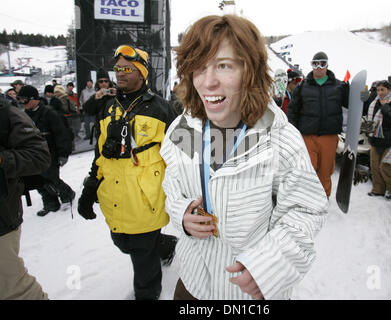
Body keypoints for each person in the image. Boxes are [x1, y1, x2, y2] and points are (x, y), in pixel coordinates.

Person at [161, 14, 328, 300]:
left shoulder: (280, 140)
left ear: (250, 71)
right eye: (199, 68)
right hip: (193, 282)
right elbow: (172, 185)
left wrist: (270, 266)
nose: (208, 82)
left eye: (224, 66)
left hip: (246, 290)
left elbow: (305, 211)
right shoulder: (184, 129)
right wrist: (182, 214)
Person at [77, 45, 178, 300]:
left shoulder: (163, 109)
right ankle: (165, 246)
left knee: (142, 260)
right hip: (115, 197)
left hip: (146, 200)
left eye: (127, 69)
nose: (119, 74)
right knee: (122, 242)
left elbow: (185, 155)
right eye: (117, 69)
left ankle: (148, 294)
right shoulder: (107, 108)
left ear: (142, 73)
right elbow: (99, 154)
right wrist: (90, 188)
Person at [0, 96, 51, 299]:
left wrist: (3, 159)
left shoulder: (5, 112)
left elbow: (39, 156)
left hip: (2, 221)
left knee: (14, 290)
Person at [287, 51, 349, 197]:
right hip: (308, 135)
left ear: (327, 65)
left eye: (323, 63)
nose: (319, 67)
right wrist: (293, 132)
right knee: (308, 169)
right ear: (312, 66)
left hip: (329, 136)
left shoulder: (339, 86)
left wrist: (361, 98)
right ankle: (308, 198)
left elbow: (352, 105)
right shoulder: (302, 87)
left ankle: (324, 197)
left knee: (326, 170)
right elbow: (293, 110)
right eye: (315, 64)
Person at [17, 85, 75, 216]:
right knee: (39, 181)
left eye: (24, 100)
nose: (22, 103)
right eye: (20, 100)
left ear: (33, 99)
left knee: (52, 178)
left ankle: (67, 194)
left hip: (50, 153)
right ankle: (50, 203)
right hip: (33, 154)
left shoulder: (49, 113)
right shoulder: (24, 116)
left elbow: (62, 134)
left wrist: (63, 154)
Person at [366, 80, 391, 199]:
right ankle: (378, 189)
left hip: (390, 140)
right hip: (376, 138)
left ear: (389, 89)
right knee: (375, 166)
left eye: (382, 89)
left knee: (387, 167)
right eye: (378, 90)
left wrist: (385, 106)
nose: (380, 92)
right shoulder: (375, 102)